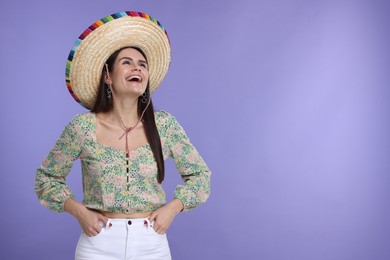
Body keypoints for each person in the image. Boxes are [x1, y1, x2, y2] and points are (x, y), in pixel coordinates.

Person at [35, 11, 211, 260]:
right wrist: (78, 211)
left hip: (152, 244)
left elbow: (201, 177)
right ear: (108, 76)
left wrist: (173, 208)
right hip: (98, 244)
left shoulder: (164, 125)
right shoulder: (83, 127)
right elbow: (46, 178)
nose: (136, 68)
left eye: (142, 64)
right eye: (126, 62)